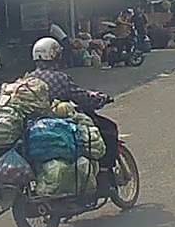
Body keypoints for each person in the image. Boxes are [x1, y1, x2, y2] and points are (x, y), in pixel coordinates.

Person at [23, 37, 119, 192]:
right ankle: (104, 172)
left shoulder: (27, 79)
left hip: (33, 126)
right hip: (62, 122)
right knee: (109, 129)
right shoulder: (60, 78)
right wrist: (100, 99)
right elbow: (81, 97)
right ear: (56, 56)